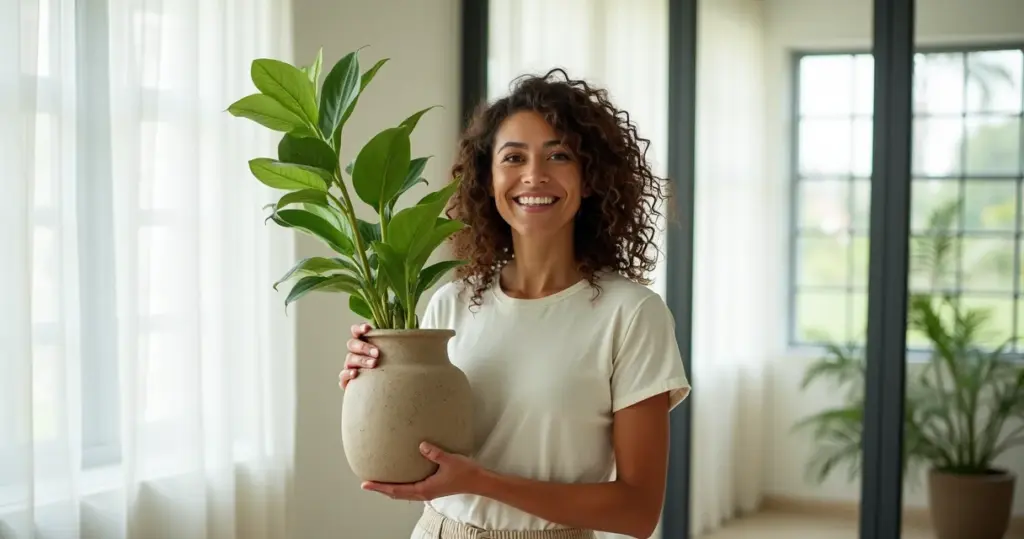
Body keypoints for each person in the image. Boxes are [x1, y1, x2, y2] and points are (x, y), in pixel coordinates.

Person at [339, 69, 691, 539]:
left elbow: (636, 512)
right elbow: (415, 452)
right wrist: (373, 380)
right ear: (487, 180)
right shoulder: (451, 304)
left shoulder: (631, 315)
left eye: (559, 155)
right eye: (513, 157)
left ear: (589, 180)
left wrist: (482, 483)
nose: (534, 176)